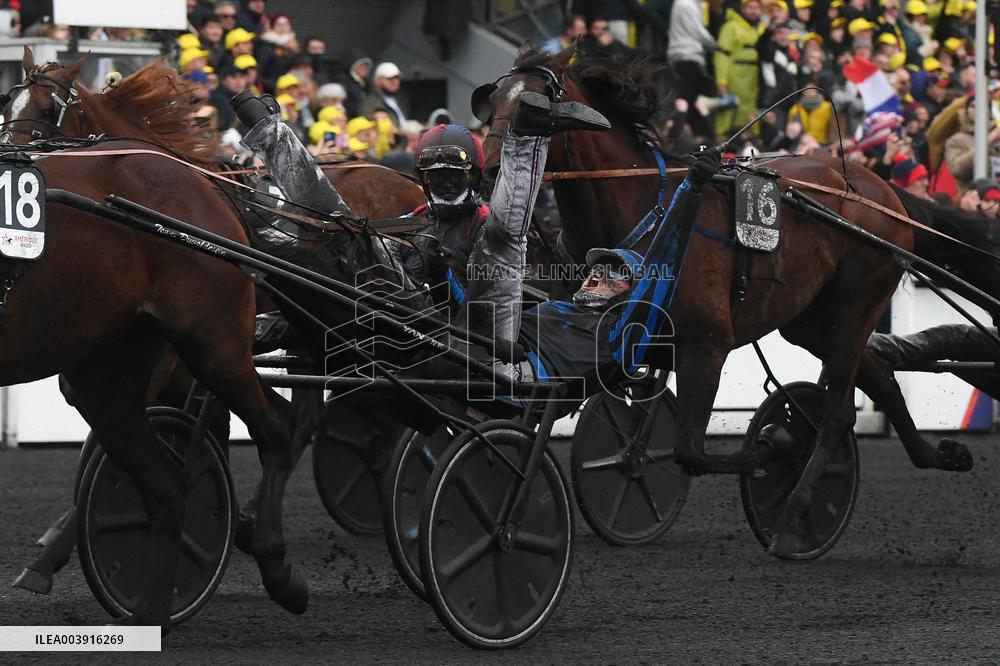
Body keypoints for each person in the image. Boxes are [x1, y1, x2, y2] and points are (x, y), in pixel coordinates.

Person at [230, 89, 722, 392]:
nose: (597, 276)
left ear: (629, 291)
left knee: (500, 237)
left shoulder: (613, 328)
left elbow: (666, 255)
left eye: (611, 275)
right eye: (597, 269)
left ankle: (529, 137)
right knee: (346, 231)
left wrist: (692, 189)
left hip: (490, 347)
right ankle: (271, 143)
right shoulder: (425, 221)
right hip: (421, 318)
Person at [715, 0, 766, 138]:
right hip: (734, 77)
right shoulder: (731, 26)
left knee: (750, 112)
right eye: (750, 7)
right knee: (728, 112)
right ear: (742, 8)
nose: (753, 10)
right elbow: (722, 55)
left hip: (753, 80)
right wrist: (722, 80)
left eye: (757, 7)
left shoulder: (761, 28)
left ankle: (750, 142)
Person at [668, 0, 718, 138]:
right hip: (687, 54)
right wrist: (714, 44)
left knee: (691, 95)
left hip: (683, 53)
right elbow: (697, 31)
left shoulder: (687, 4)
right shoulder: (686, 4)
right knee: (689, 94)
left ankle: (695, 134)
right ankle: (679, 132)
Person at [360, 62, 407, 132]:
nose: (394, 81)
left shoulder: (396, 100)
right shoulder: (371, 102)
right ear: (377, 80)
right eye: (389, 78)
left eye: (396, 78)